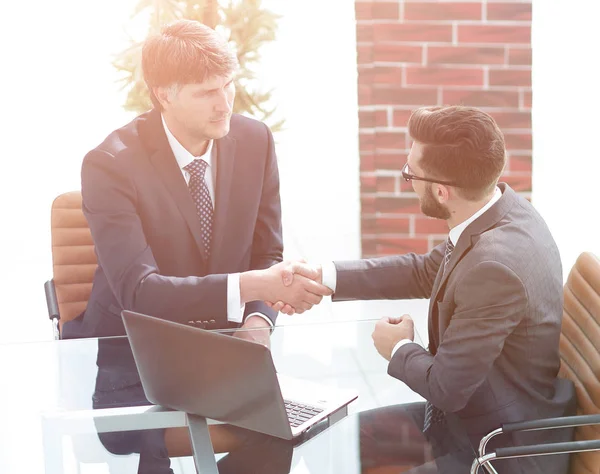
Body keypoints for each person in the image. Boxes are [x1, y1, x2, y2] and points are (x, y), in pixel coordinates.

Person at [61, 19, 330, 473]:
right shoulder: (110, 164)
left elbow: (267, 251)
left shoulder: (253, 141)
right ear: (164, 93)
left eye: (229, 85)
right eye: (208, 93)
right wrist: (253, 285)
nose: (225, 103)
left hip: (225, 356)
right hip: (133, 364)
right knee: (167, 443)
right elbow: (139, 292)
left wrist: (259, 320)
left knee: (294, 428)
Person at [273, 106, 576, 473]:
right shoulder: (502, 210)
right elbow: (425, 270)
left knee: (340, 451)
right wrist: (324, 276)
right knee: (331, 439)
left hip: (498, 445)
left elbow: (446, 389)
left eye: (409, 173)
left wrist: (398, 347)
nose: (409, 180)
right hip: (477, 415)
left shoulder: (493, 266)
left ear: (442, 192)